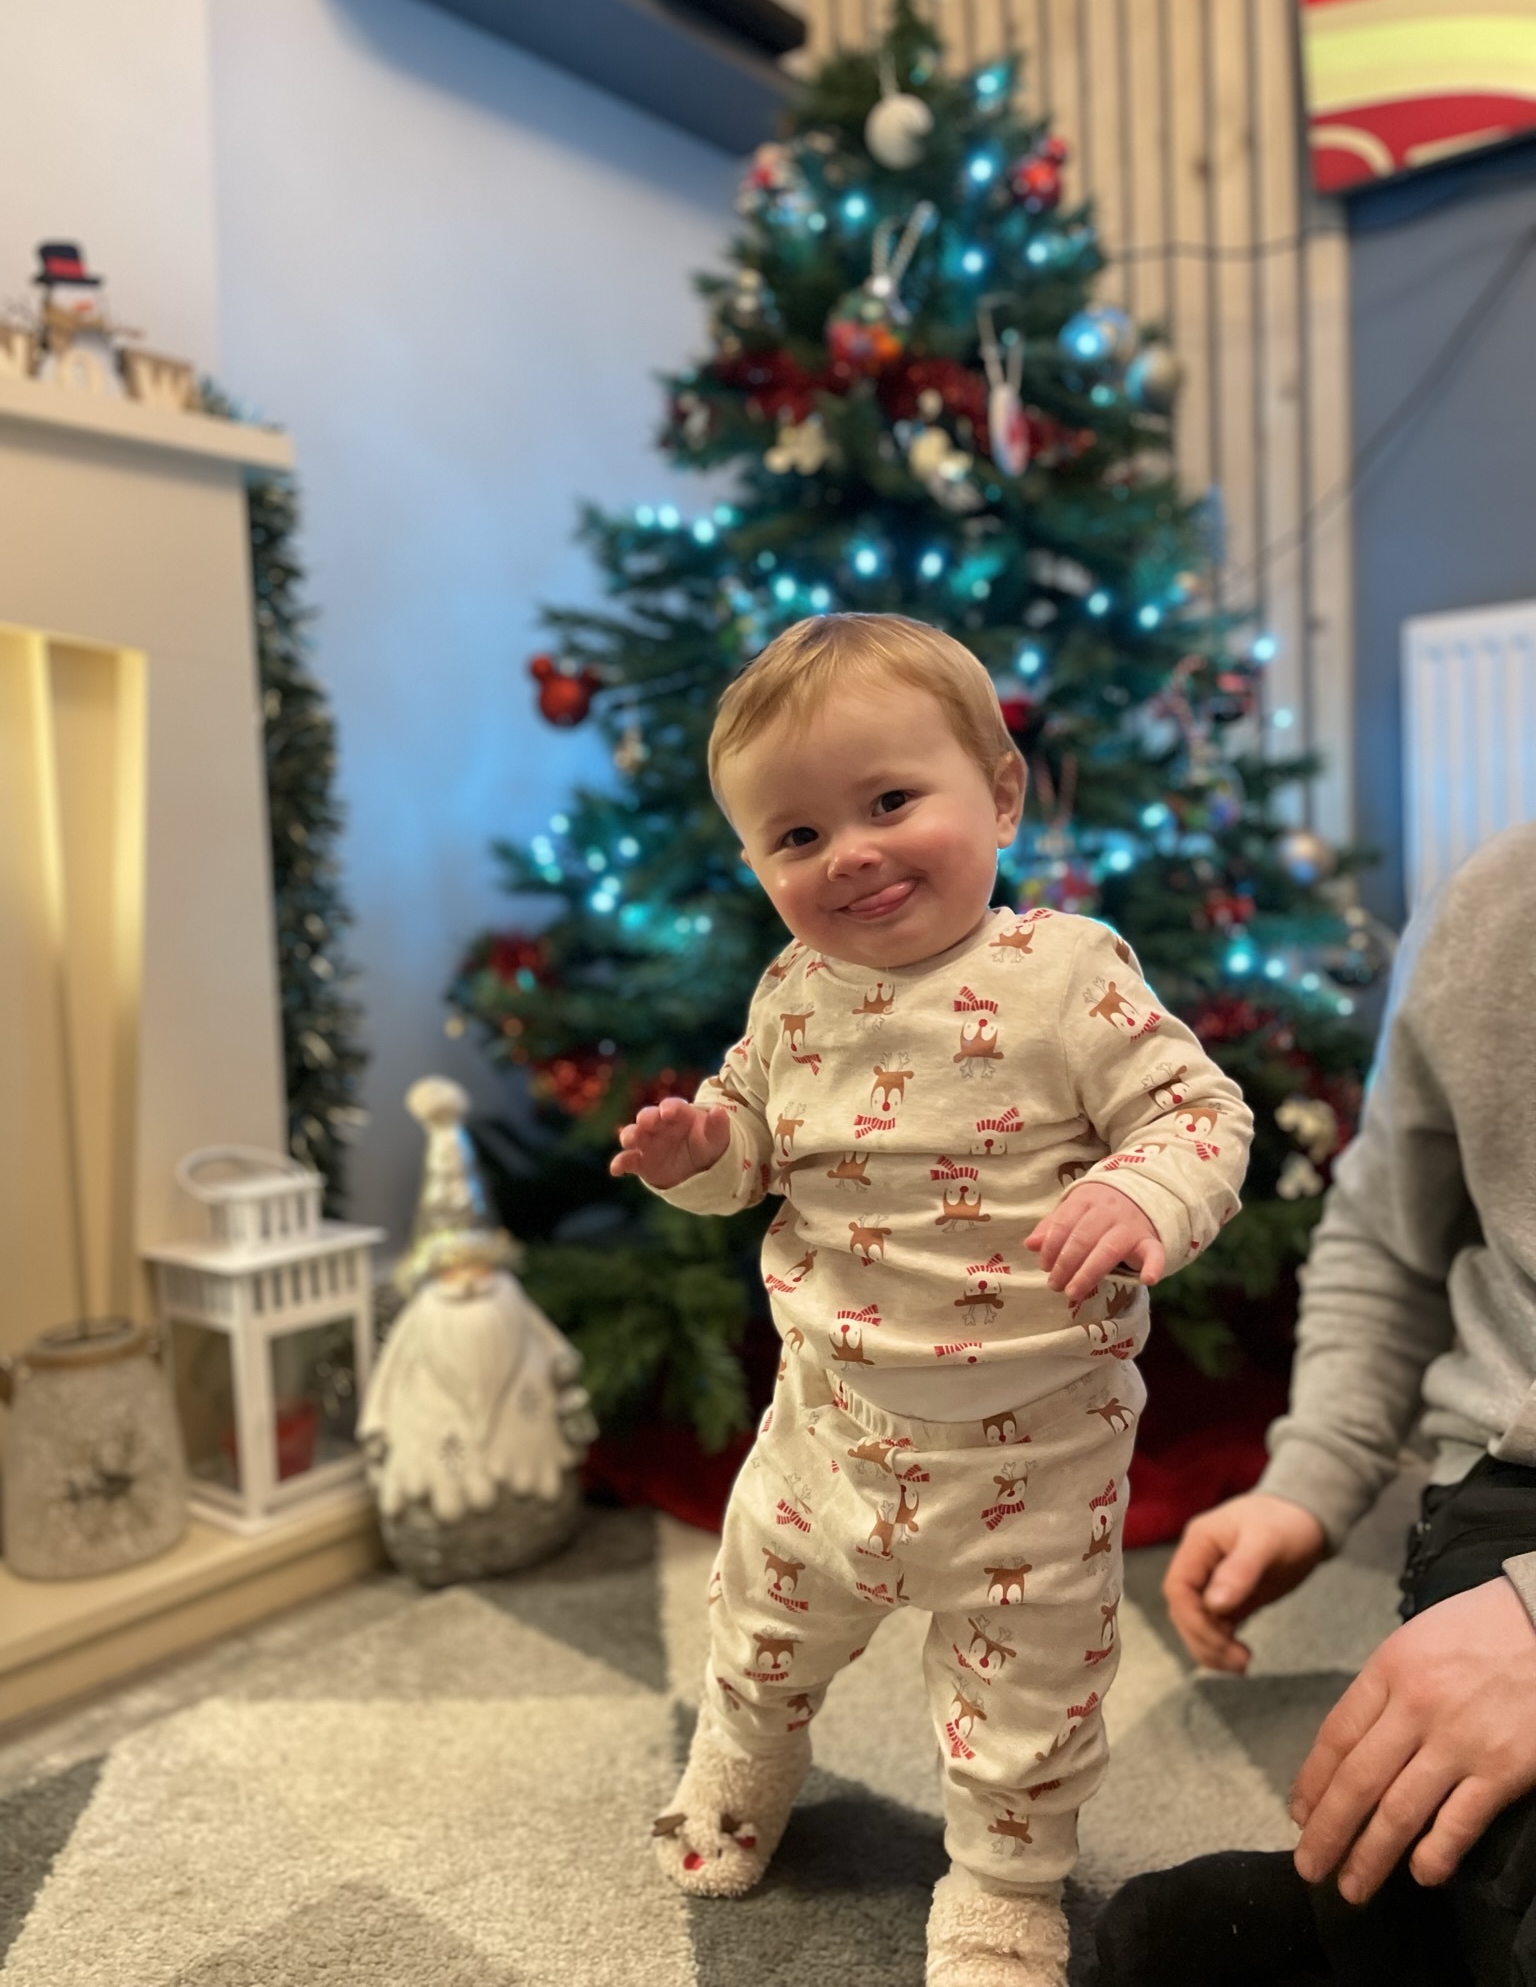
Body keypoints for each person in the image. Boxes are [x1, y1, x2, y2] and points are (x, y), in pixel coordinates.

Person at [609, 613, 1253, 1987]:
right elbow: (750, 1144)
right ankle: (741, 1764)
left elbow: (1204, 1113)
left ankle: (1005, 1884)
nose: (847, 853)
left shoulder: (1068, 976)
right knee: (762, 1626)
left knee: (1029, 1688)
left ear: (1001, 794)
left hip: (1035, 1444)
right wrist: (699, 1156)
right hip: (830, 1427)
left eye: (890, 801)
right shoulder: (791, 994)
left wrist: (1145, 1194)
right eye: (794, 837)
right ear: (757, 866)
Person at [1094, 821, 1536, 1987]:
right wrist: (1314, 1474)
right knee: (1463, 1823)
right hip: (1513, 1484)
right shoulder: (1495, 901)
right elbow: (1388, 1240)